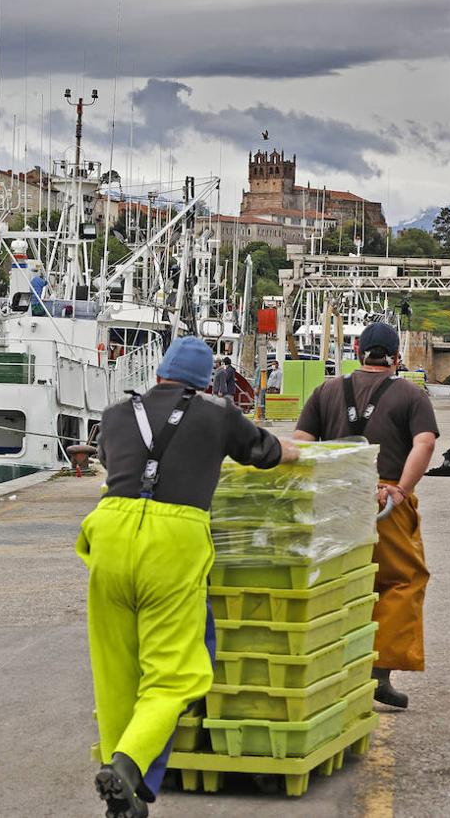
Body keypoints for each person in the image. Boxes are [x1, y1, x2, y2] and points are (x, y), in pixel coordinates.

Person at [82, 335, 300, 817]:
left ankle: (128, 797)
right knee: (175, 674)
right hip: (172, 543)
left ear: (159, 373)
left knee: (117, 672)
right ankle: (126, 765)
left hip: (110, 534)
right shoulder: (218, 414)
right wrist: (297, 454)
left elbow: (113, 463)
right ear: (205, 384)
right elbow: (264, 452)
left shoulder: (117, 415)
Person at [292, 321, 438, 709]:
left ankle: (329, 670)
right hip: (386, 498)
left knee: (339, 580)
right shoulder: (411, 394)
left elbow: (301, 444)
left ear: (357, 352)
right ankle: (378, 673)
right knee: (400, 580)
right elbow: (424, 443)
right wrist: (402, 490)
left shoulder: (326, 390)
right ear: (397, 357)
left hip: (335, 496)